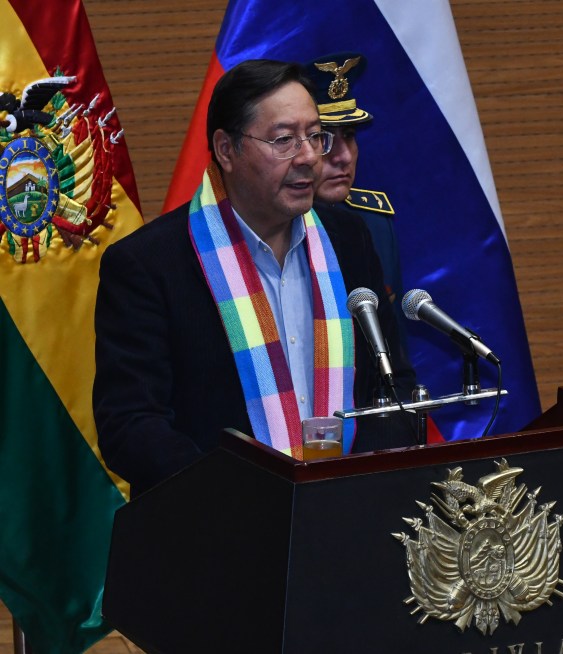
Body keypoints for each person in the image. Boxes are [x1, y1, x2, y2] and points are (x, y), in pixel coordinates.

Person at [93, 59, 416, 497]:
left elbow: (392, 384)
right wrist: (240, 500)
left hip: (345, 517)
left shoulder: (348, 238)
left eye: (314, 136)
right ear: (226, 150)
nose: (308, 158)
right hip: (216, 534)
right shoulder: (149, 264)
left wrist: (353, 485)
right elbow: (130, 426)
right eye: (284, 140)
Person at [305, 53, 407, 312]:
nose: (345, 157)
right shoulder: (269, 227)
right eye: (323, 138)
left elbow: (391, 338)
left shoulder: (375, 222)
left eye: (349, 135)